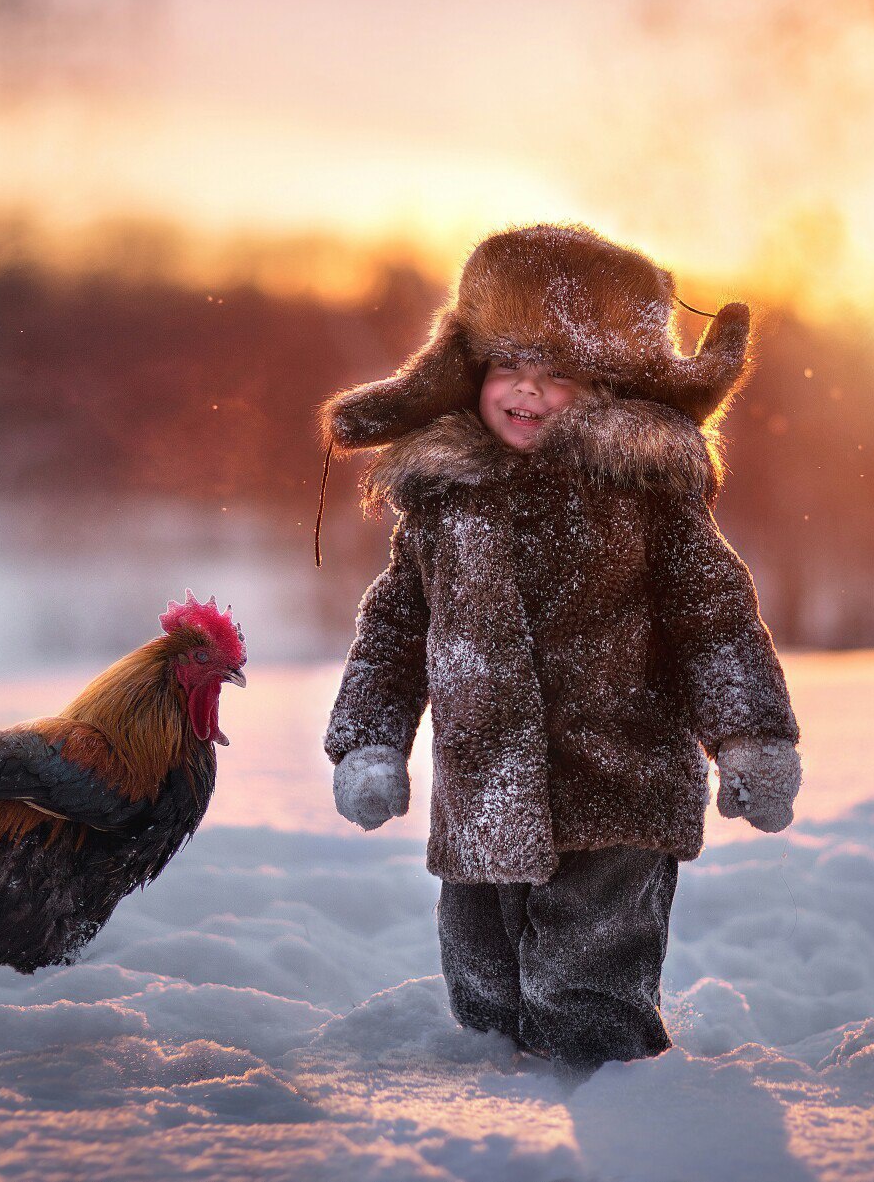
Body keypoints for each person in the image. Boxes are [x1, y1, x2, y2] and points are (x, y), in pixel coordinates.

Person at [319, 224, 802, 1078]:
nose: (528, 391)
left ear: (610, 387)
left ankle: (611, 1113)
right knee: (483, 991)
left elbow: (713, 621)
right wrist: (369, 740)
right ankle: (494, 1115)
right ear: (468, 374)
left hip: (616, 786)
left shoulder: (646, 497)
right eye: (508, 366)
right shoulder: (442, 504)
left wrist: (749, 735)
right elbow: (393, 633)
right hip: (481, 794)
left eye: (560, 374)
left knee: (586, 991)